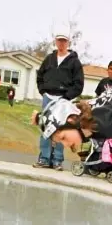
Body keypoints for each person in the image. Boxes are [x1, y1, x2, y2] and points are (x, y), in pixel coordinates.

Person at [33, 33, 84, 171]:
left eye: (64, 41)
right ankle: (44, 158)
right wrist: (43, 90)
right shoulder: (49, 59)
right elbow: (40, 75)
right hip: (48, 97)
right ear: (55, 41)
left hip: (64, 100)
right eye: (59, 40)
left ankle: (57, 160)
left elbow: (79, 84)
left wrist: (67, 97)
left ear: (68, 43)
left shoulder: (74, 62)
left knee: (62, 130)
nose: (61, 43)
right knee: (45, 128)